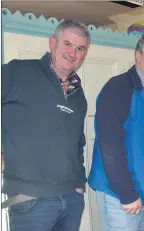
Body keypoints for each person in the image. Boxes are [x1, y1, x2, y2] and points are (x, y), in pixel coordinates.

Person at [1, 20, 90, 231]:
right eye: (67, 44)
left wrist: (79, 184)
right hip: (29, 199)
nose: (73, 53)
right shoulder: (18, 72)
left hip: (71, 199)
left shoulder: (78, 94)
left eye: (80, 48)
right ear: (52, 43)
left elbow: (78, 143)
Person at [88, 32, 144, 231]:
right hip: (124, 196)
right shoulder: (119, 87)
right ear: (138, 55)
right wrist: (126, 192)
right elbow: (110, 145)